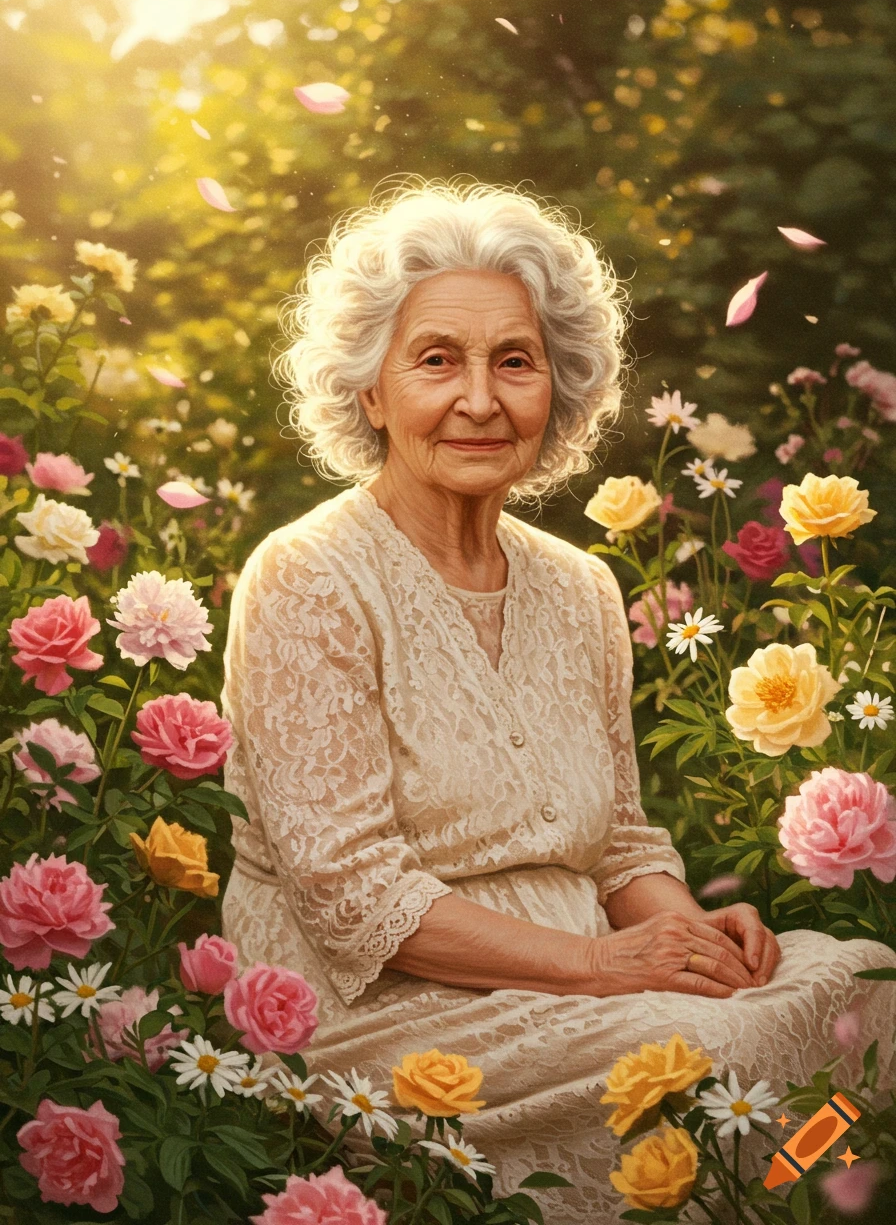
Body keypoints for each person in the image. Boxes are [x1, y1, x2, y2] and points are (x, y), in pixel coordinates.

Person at [220, 180, 896, 1223]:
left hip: (603, 978)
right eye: (436, 359)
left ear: (558, 388)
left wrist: (691, 940)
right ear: (368, 389)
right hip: (387, 1012)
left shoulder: (579, 586)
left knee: (868, 989)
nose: (481, 400)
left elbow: (619, 843)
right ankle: (749, 1197)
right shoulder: (308, 575)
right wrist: (598, 965)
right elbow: (353, 893)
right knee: (722, 1056)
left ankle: (788, 1196)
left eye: (515, 362)